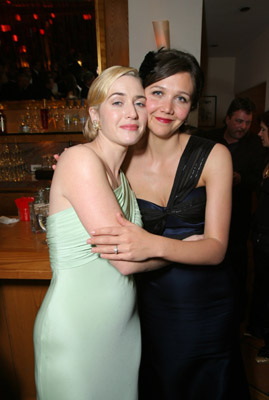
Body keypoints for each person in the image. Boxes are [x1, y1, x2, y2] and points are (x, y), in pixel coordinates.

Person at [88, 48, 250, 399]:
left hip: (209, 306)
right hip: (150, 307)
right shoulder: (119, 159)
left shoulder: (214, 155)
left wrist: (153, 245)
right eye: (157, 93)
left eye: (181, 98)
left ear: (191, 106)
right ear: (140, 94)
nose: (167, 108)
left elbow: (216, 249)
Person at [33, 65, 148, 400]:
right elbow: (124, 260)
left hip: (122, 330)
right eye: (118, 102)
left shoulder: (121, 175)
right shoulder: (81, 160)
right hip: (78, 334)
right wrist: (186, 252)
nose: (131, 112)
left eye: (139, 102)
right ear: (95, 114)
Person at [197, 97, 265, 322]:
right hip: (205, 214)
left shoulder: (255, 144)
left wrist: (239, 178)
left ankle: (236, 314)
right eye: (238, 121)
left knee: (236, 267)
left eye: (247, 122)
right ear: (227, 119)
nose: (243, 127)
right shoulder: (208, 139)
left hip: (239, 217)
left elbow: (259, 179)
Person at [247, 110, 269, 363]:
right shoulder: (265, 158)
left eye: (264, 129)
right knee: (262, 288)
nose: (259, 133)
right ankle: (259, 331)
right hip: (262, 237)